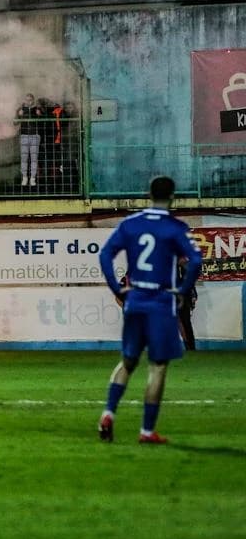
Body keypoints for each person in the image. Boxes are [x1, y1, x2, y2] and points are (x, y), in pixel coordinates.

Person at [97, 176, 202, 444]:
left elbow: (105, 254)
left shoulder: (131, 224)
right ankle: (146, 431)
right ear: (173, 197)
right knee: (157, 367)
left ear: (148, 194)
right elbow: (196, 260)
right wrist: (183, 290)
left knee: (128, 361)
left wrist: (117, 288)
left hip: (134, 301)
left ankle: (108, 413)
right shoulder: (175, 228)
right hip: (159, 303)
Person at [16, 93, 44, 188]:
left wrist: (39, 115)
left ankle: (32, 178)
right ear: (24, 100)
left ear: (33, 100)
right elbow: (14, 122)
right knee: (24, 158)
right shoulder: (20, 110)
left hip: (35, 136)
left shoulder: (37, 109)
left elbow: (45, 120)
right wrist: (19, 115)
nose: (29, 101)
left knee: (34, 159)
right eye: (27, 99)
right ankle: (24, 177)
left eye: (30, 100)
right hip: (24, 135)